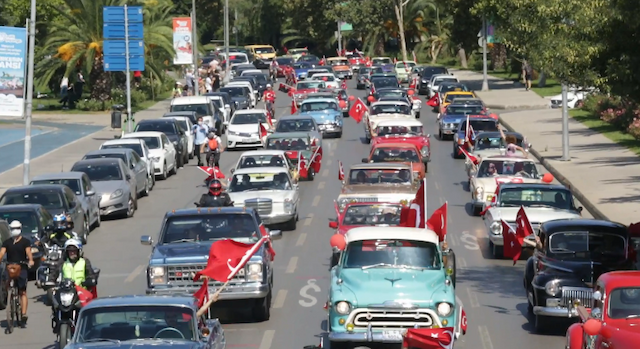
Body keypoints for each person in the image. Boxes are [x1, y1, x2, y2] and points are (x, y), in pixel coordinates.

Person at [0, 221, 34, 326]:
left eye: (17, 228)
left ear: (20, 228)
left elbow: (28, 252)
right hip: (10, 267)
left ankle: (23, 313)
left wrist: (31, 260)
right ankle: (8, 296)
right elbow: (1, 253)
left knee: (22, 292)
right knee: (6, 281)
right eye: (13, 228)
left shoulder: (25, 242)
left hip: (21, 267)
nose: (15, 230)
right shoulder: (7, 242)